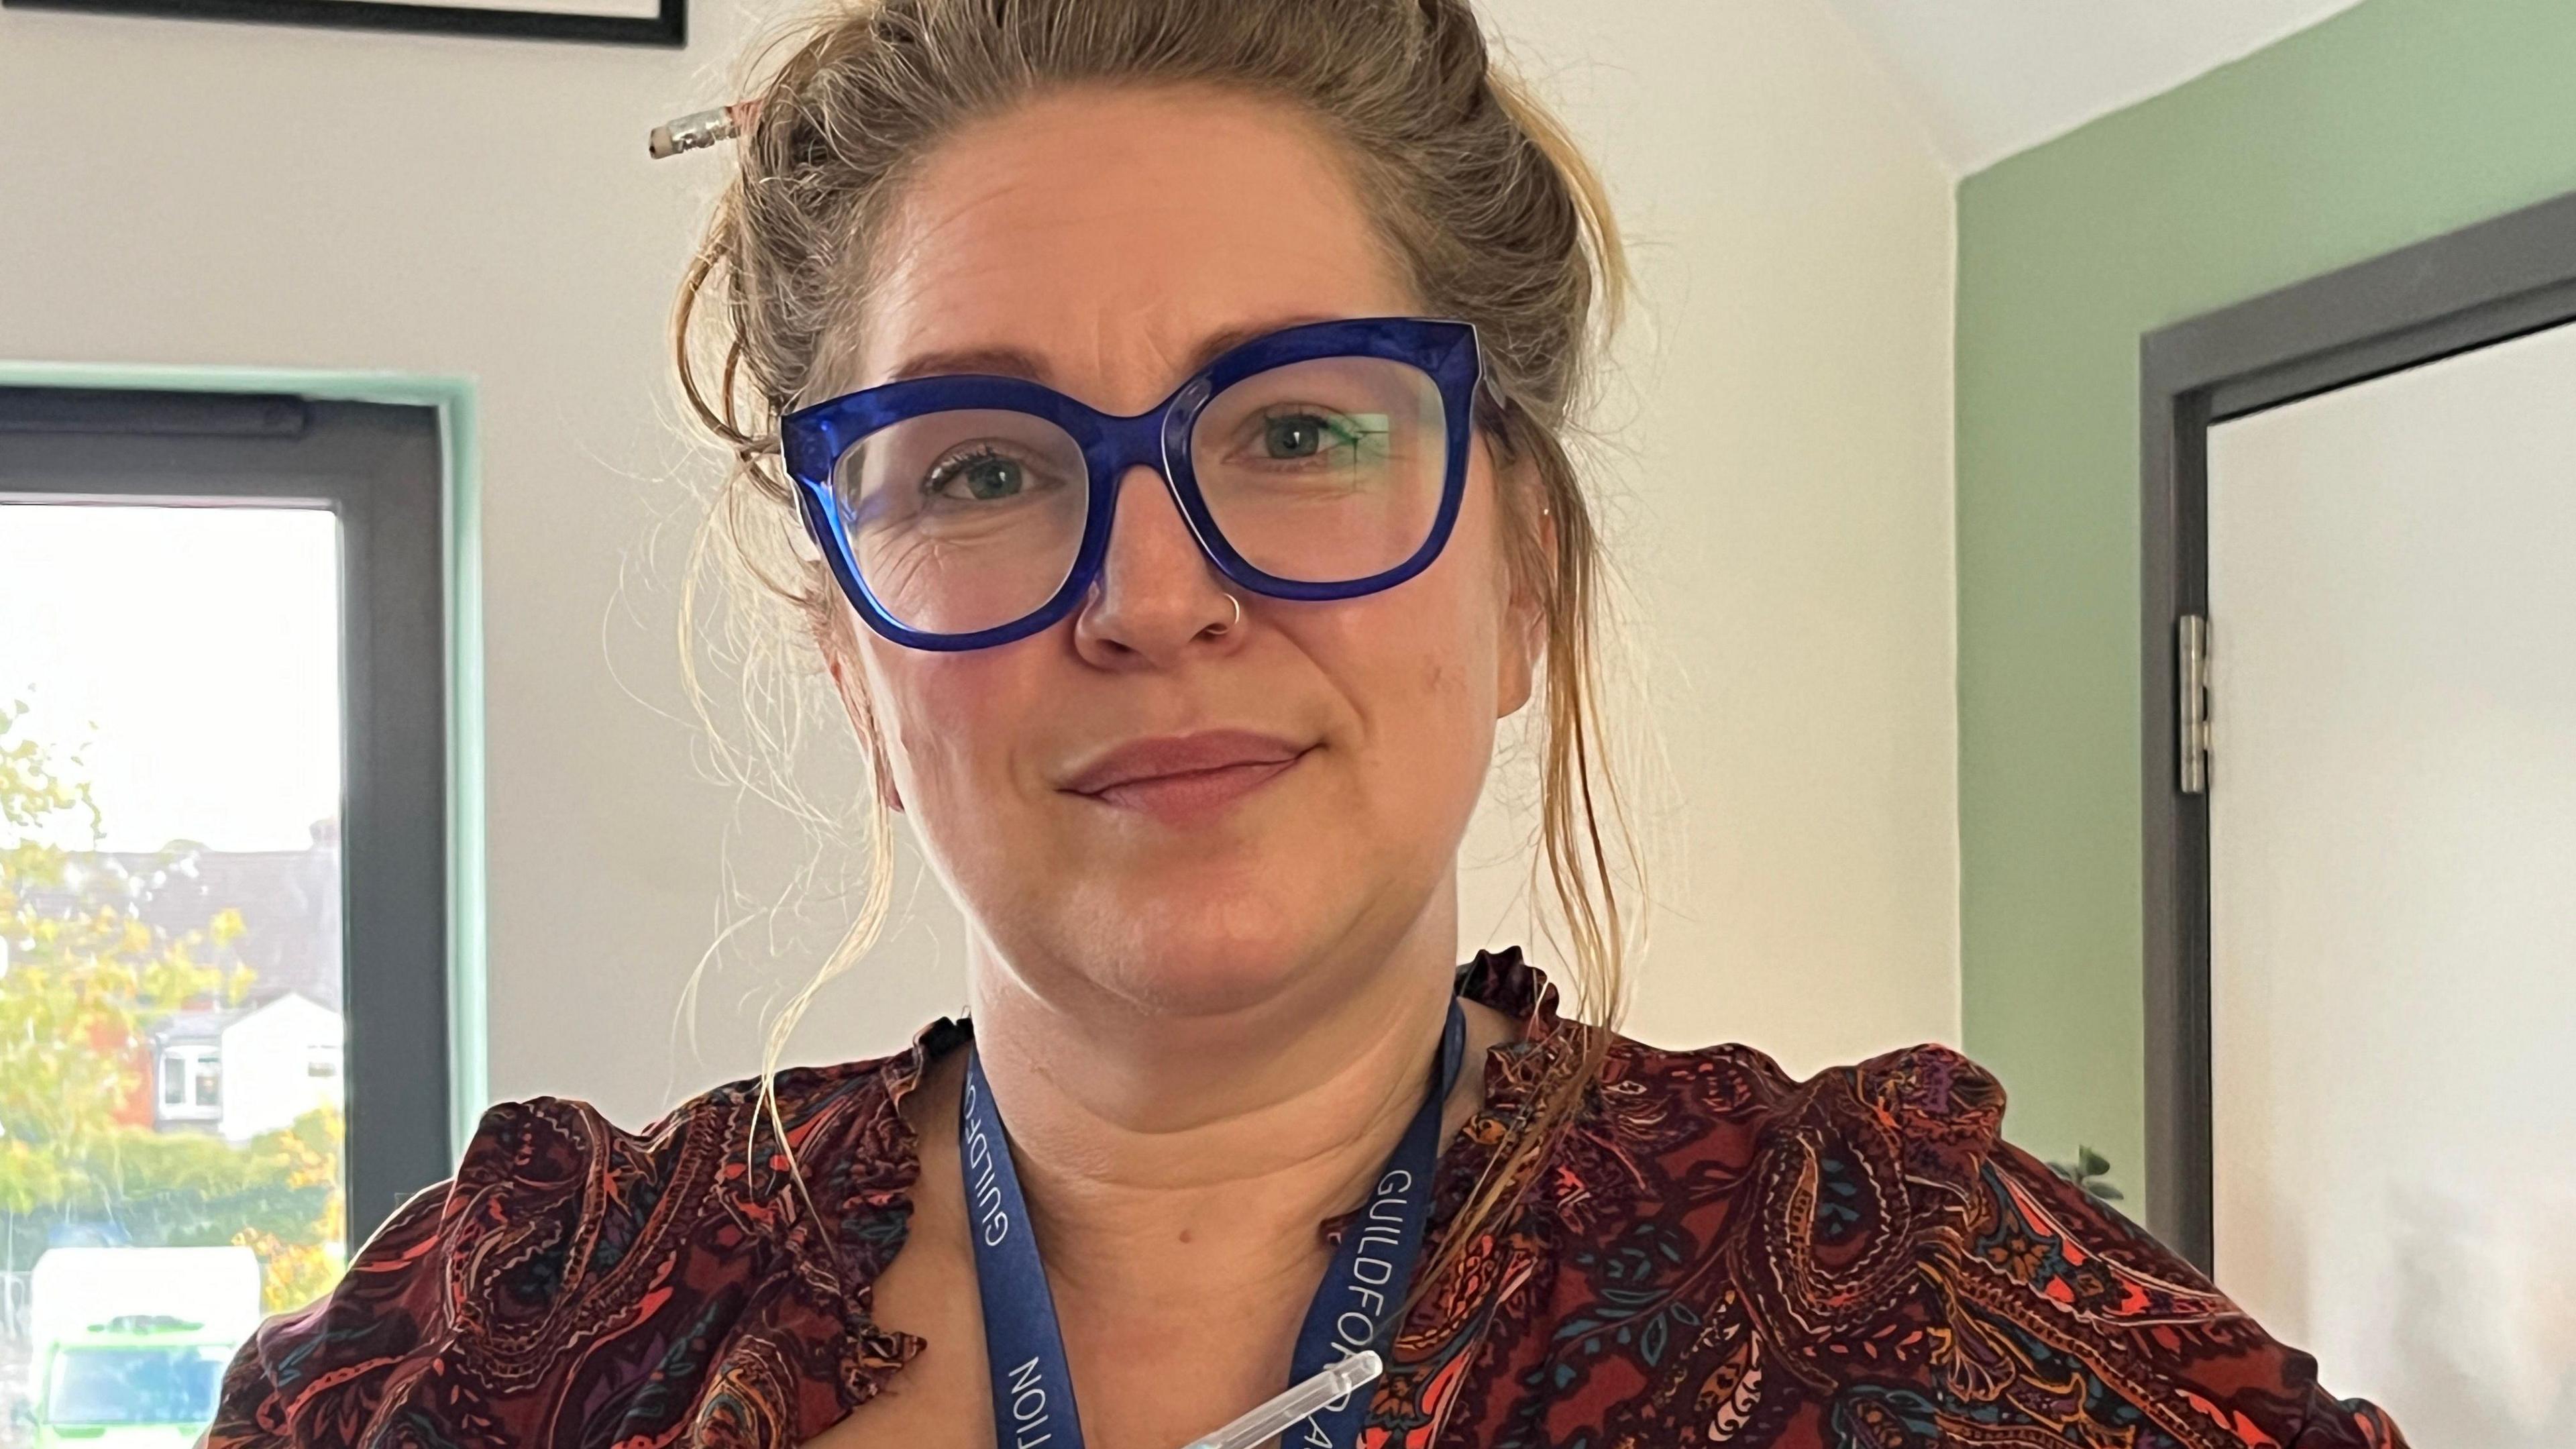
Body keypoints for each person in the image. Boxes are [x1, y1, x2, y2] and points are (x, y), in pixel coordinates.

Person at [208, 2, 2408, 1446]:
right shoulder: (484, 1354)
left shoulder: (1923, 1324)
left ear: (1521, 567)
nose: (1157, 596)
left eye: (1296, 430)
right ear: (852, 660)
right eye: (982, 466)